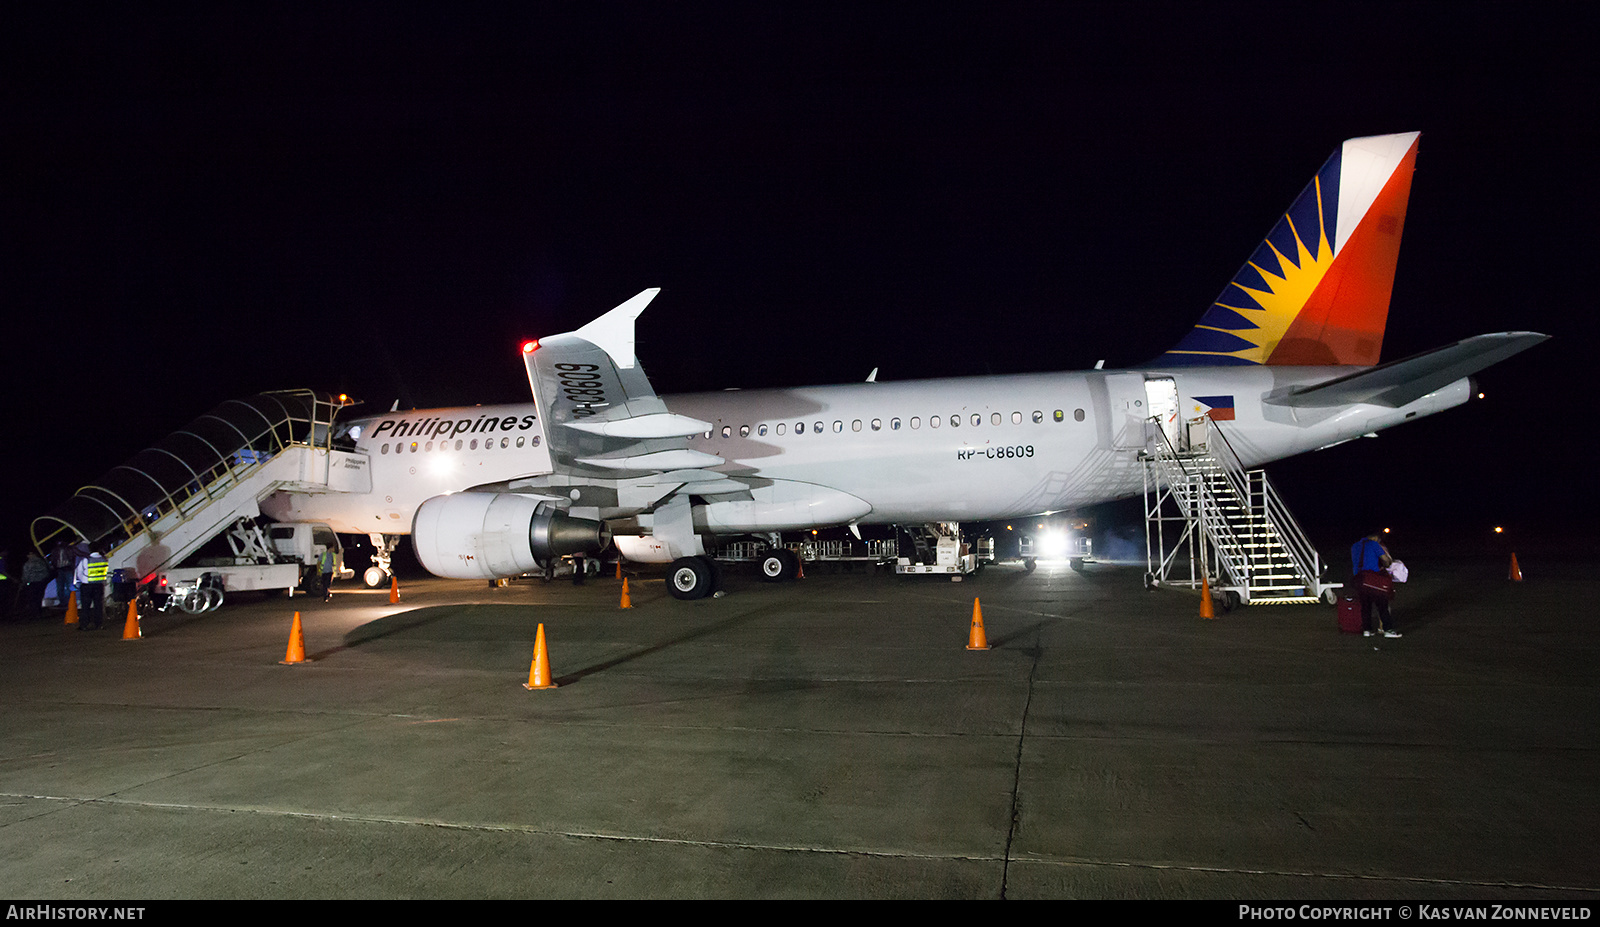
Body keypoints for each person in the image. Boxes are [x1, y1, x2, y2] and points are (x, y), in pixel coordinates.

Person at [1351, 532, 1399, 638]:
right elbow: (1386, 561)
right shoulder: (1374, 544)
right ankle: (1388, 630)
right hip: (1373, 579)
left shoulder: (1355, 546)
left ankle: (1367, 630)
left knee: (1365, 606)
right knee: (1382, 606)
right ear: (1375, 537)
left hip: (1360, 579)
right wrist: (1388, 562)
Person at [75, 551, 110, 630]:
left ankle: (84, 625)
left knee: (85, 606)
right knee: (98, 605)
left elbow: (79, 572)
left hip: (87, 585)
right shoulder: (104, 559)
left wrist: (84, 580)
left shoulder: (86, 560)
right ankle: (98, 624)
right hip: (99, 585)